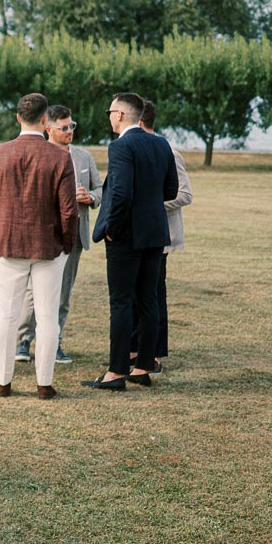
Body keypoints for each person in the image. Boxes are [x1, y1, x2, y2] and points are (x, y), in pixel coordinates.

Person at [0, 94, 78, 399]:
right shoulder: (60, 157)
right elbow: (69, 210)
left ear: (18, 118)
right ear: (45, 120)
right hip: (49, 246)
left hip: (10, 242)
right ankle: (44, 384)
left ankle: (3, 381)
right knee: (47, 317)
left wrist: (8, 214)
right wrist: (66, 243)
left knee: (7, 315)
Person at [83, 93, 179, 392]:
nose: (109, 116)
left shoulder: (121, 146)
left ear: (121, 115)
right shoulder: (161, 143)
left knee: (122, 302)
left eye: (110, 111)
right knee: (148, 301)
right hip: (155, 233)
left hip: (126, 237)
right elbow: (171, 188)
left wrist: (111, 228)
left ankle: (115, 372)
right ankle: (143, 367)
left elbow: (121, 194)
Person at [15, 104, 101, 365]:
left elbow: (100, 186)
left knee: (63, 293)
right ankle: (23, 341)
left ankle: (56, 343)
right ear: (48, 128)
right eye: (64, 128)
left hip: (74, 235)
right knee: (33, 291)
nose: (70, 131)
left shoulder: (84, 157)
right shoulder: (40, 155)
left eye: (72, 126)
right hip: (46, 234)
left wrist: (91, 197)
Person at [139, 99, 192, 371]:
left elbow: (184, 194)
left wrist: (149, 205)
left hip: (161, 235)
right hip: (138, 236)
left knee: (155, 294)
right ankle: (136, 349)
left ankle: (156, 354)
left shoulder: (169, 151)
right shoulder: (133, 147)